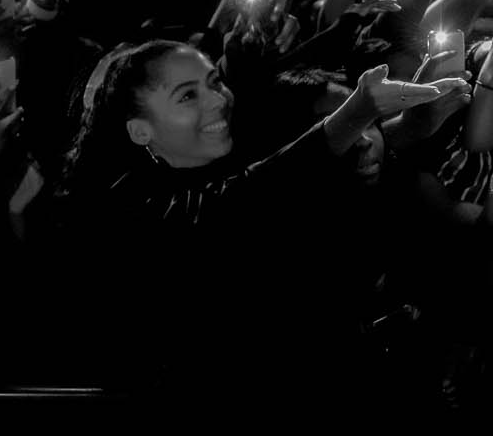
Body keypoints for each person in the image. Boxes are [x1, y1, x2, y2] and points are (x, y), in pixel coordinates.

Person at [50, 39, 466, 392]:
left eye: (215, 83)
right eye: (187, 95)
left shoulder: (210, 159)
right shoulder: (124, 210)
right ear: (140, 130)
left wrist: (402, 129)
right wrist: (354, 114)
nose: (217, 100)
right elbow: (242, 201)